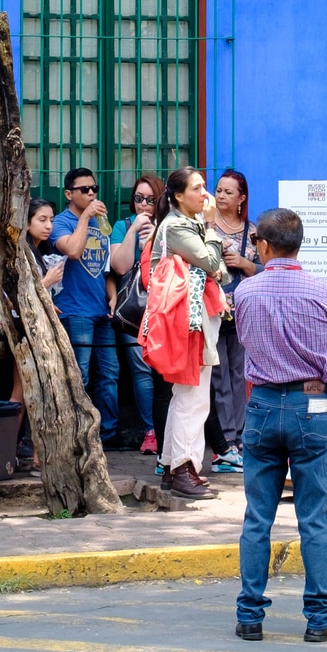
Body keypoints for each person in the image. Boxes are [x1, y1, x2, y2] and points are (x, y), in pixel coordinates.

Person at [231, 206, 327, 643]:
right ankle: (320, 620)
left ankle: (250, 616)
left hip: (263, 405)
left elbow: (245, 340)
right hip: (311, 404)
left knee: (257, 517)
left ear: (261, 246)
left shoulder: (245, 292)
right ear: (299, 245)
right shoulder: (323, 291)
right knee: (314, 518)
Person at [151, 166, 227, 499]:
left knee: (190, 395)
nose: (205, 194)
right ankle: (183, 468)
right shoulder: (179, 226)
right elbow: (214, 265)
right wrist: (212, 227)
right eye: (197, 188)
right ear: (178, 196)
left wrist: (214, 255)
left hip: (193, 316)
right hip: (186, 319)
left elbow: (217, 266)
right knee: (192, 397)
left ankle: (175, 466)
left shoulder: (187, 225)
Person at [50, 167, 120, 449]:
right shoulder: (60, 222)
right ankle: (78, 433)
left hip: (100, 309)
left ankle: (108, 434)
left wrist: (112, 294)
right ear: (69, 194)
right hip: (74, 309)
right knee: (80, 373)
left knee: (110, 373)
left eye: (94, 189)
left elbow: (105, 267)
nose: (91, 193)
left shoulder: (101, 222)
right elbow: (74, 251)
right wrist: (87, 216)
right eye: (84, 190)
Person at [206, 170, 261, 471]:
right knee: (219, 375)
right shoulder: (206, 227)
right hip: (214, 311)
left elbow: (267, 269)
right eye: (219, 190)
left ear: (242, 197)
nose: (222, 196)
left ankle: (240, 437)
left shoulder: (252, 231)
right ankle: (226, 440)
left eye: (229, 192)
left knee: (240, 376)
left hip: (243, 313)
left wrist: (244, 263)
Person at [109, 174, 164, 453]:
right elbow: (119, 267)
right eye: (138, 199)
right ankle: (150, 430)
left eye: (150, 200)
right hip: (135, 309)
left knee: (164, 370)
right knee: (140, 369)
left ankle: (167, 430)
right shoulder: (122, 226)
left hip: (165, 307)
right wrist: (133, 233)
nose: (144, 205)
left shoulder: (169, 226)